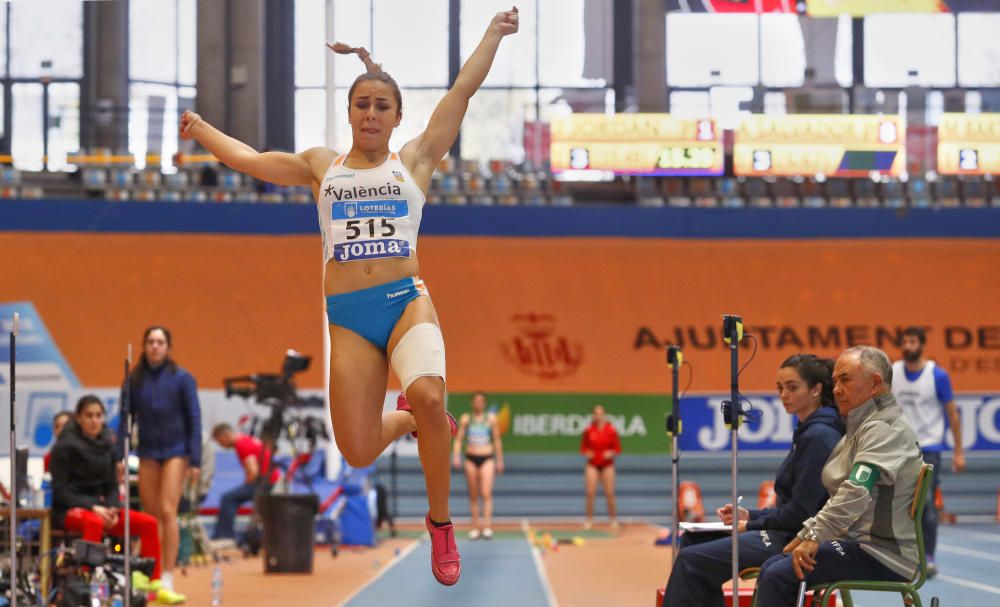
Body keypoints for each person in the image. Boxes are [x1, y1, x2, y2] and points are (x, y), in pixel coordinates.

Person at [178, 7, 519, 586]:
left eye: (381, 106)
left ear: (396, 117)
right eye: (361, 104)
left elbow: (463, 91)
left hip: (407, 302)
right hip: (350, 320)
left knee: (432, 398)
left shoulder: (414, 160)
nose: (370, 113)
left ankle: (439, 523)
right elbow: (251, 161)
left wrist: (491, 33)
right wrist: (202, 128)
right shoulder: (321, 167)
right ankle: (405, 422)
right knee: (358, 449)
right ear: (349, 113)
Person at [662, 354, 845, 607]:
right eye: (780, 388)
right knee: (693, 541)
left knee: (692, 560)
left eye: (792, 388)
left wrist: (749, 526)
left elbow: (802, 512)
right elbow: (794, 505)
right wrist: (750, 515)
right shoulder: (808, 431)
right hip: (784, 530)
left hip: (795, 539)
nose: (784, 395)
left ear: (816, 390)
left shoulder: (819, 436)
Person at [755, 346, 924, 605]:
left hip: (883, 553)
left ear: (875, 383)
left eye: (845, 379)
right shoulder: (862, 425)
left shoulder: (883, 429)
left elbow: (856, 490)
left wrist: (813, 534)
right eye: (834, 381)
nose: (835, 389)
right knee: (773, 567)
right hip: (859, 543)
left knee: (778, 575)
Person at [52, 395, 186, 604]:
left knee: (148, 523)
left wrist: (112, 508)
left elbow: (112, 485)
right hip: (71, 509)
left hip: (103, 509)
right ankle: (87, 585)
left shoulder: (108, 443)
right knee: (94, 522)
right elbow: (61, 492)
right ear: (78, 418)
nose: (94, 421)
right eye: (89, 416)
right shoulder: (63, 447)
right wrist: (93, 507)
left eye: (98, 415)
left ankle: (152, 584)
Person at [120, 326, 202, 596]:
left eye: (160, 342)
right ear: (144, 346)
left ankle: (167, 574)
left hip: (177, 451)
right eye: (151, 342)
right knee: (149, 515)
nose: (155, 346)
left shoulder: (182, 379)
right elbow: (125, 418)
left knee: (168, 512)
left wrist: (196, 460)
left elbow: (194, 419)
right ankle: (149, 572)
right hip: (147, 452)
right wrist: (121, 454)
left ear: (168, 347)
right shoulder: (134, 379)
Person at [892, 326, 964, 576]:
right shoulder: (894, 372)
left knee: (926, 505)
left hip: (929, 447)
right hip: (899, 448)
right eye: (905, 341)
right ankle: (902, 555)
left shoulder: (938, 375)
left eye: (913, 341)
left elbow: (952, 414)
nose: (908, 346)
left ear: (922, 345)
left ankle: (928, 557)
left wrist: (958, 451)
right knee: (899, 504)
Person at [209, 423, 279, 542]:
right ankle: (223, 535)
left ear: (225, 436)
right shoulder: (246, 439)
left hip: (265, 482)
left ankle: (224, 536)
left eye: (220, 442)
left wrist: (246, 484)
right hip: (270, 479)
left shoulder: (242, 445)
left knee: (228, 498)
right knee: (232, 497)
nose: (222, 446)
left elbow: (253, 471)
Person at [452, 391, 504, 539]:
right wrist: (456, 456)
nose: (478, 403)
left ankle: (487, 526)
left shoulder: (491, 419)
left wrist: (500, 460)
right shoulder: (466, 419)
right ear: (472, 403)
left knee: (486, 493)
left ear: (484, 404)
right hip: (470, 458)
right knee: (473, 494)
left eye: (481, 401)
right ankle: (475, 527)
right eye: (476, 401)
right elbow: (458, 439)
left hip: (487, 458)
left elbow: (497, 439)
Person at [581, 404, 621, 531]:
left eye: (600, 413)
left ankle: (613, 519)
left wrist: (611, 453)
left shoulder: (611, 429)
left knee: (609, 493)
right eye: (596, 413)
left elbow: (617, 449)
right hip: (592, 464)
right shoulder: (589, 430)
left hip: (607, 465)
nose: (598, 416)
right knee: (590, 492)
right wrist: (587, 452)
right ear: (593, 415)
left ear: (604, 415)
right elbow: (583, 448)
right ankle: (589, 520)